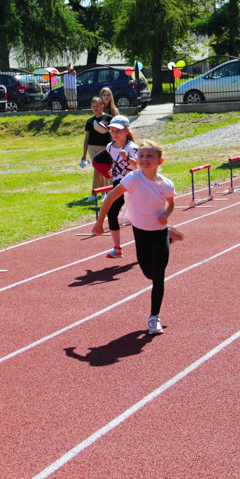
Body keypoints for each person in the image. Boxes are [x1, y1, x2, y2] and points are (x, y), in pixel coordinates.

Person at [92, 140, 177, 335]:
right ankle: (170, 238)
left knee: (158, 276)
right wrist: (99, 223)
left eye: (150, 156)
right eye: (141, 156)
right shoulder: (132, 178)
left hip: (158, 232)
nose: (144, 159)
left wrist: (165, 215)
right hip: (140, 232)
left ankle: (154, 317)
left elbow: (171, 203)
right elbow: (111, 197)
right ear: (136, 160)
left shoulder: (165, 184)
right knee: (148, 272)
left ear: (159, 161)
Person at [103, 115, 138, 258]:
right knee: (112, 213)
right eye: (112, 130)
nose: (115, 133)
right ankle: (117, 248)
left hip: (134, 184)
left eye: (118, 130)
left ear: (127, 131)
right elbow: (115, 161)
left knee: (138, 217)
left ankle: (160, 237)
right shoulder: (109, 147)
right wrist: (114, 169)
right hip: (119, 184)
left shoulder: (132, 148)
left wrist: (127, 159)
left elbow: (140, 167)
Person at [81, 97, 113, 201]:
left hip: (104, 148)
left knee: (101, 170)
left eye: (98, 105)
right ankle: (98, 194)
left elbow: (112, 134)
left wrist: (112, 148)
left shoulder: (108, 118)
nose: (95, 108)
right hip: (92, 147)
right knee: (97, 170)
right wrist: (84, 154)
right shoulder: (90, 121)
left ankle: (100, 194)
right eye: (93, 106)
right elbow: (87, 138)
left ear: (102, 106)